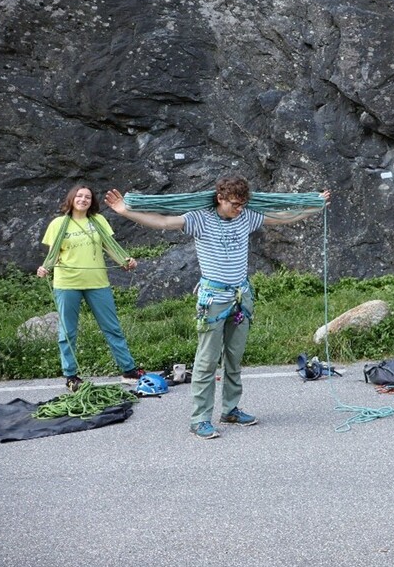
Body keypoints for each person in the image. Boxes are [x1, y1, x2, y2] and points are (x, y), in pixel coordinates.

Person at [105, 177, 330, 440]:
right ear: (220, 198)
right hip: (214, 300)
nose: (239, 209)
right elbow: (163, 222)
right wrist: (124, 210)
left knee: (234, 358)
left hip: (240, 298)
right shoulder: (200, 219)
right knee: (207, 361)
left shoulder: (247, 217)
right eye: (234, 204)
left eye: (243, 204)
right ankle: (200, 419)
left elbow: (282, 217)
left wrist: (314, 205)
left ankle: (230, 410)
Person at [36, 185, 142, 393]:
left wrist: (125, 260)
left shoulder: (98, 221)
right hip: (67, 284)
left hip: (97, 283)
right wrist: (45, 268)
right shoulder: (58, 224)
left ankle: (129, 370)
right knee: (67, 332)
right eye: (79, 196)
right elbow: (54, 253)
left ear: (91, 202)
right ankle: (71, 376)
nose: (83, 199)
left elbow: (110, 246)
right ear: (71, 198)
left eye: (87, 197)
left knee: (112, 327)